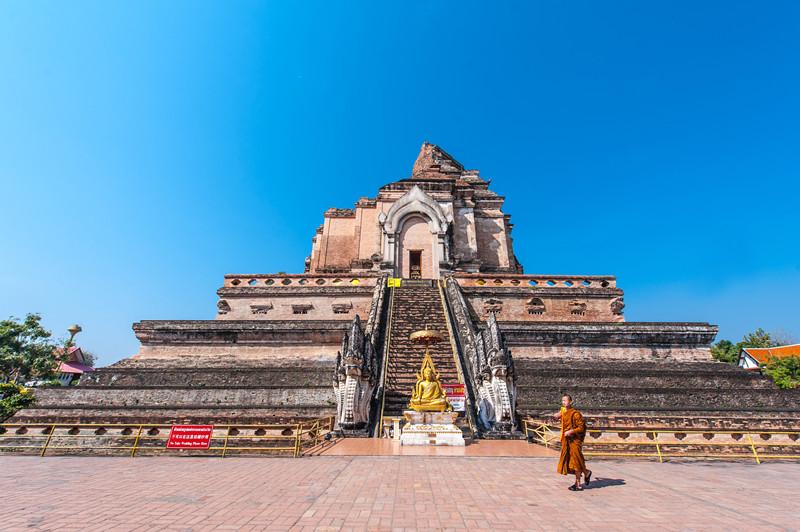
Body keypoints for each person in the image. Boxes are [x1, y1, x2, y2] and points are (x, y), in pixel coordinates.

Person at [554, 394, 592, 491]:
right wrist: (556, 416)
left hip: (575, 440)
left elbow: (581, 428)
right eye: (562, 401)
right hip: (566, 440)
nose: (564, 402)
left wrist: (571, 431)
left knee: (576, 461)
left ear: (570, 401)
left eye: (565, 400)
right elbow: (558, 416)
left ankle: (578, 483)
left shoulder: (575, 414)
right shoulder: (563, 411)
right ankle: (586, 472)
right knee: (572, 460)